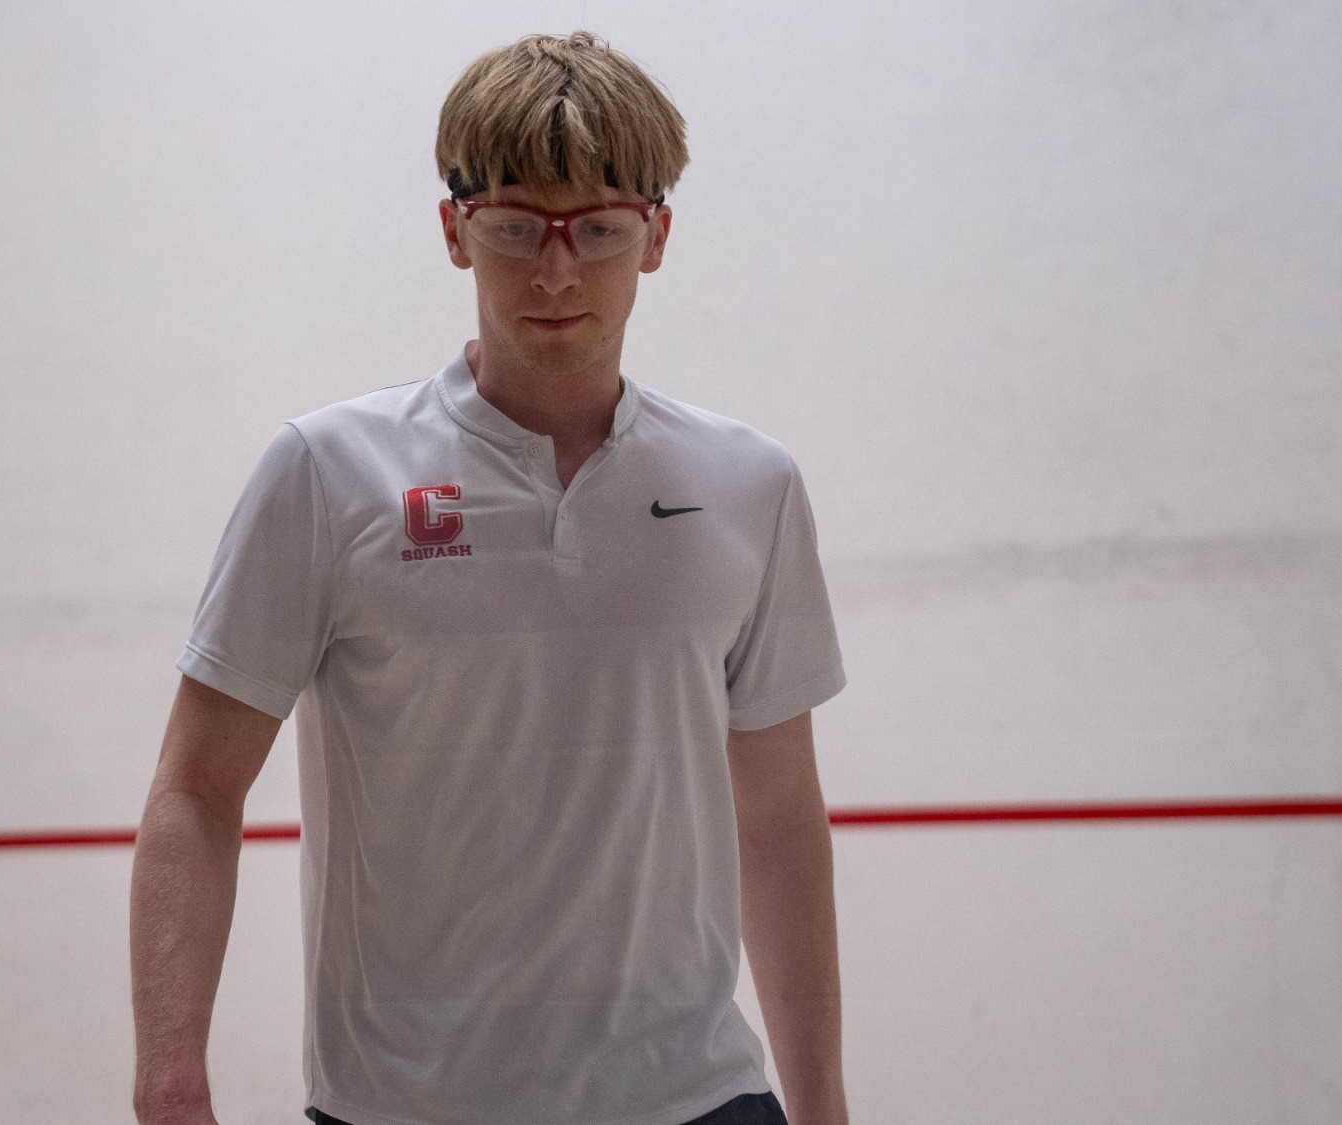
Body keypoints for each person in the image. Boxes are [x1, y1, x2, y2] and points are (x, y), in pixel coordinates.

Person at [131, 31, 849, 1125]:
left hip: (696, 1101)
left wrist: (824, 1108)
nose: (556, 271)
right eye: (515, 226)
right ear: (454, 232)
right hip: (402, 1107)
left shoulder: (747, 483)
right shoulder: (327, 473)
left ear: (654, 237)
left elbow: (780, 819)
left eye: (599, 229)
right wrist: (170, 1079)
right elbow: (196, 787)